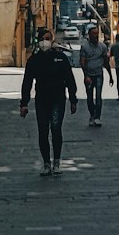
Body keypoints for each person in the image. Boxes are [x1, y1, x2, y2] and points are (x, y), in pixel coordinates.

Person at [20, 29, 78, 176]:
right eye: (44, 38)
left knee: (56, 128)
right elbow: (27, 82)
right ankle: (46, 163)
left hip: (58, 98)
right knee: (43, 131)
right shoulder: (34, 60)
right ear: (39, 41)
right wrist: (24, 103)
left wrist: (73, 99)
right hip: (42, 100)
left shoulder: (60, 58)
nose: (46, 41)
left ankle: (57, 161)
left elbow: (69, 79)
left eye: (48, 38)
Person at [79, 23, 112, 127]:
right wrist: (85, 75)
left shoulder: (102, 47)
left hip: (99, 75)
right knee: (89, 97)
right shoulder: (84, 47)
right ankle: (92, 115)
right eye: (93, 34)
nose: (96, 36)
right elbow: (82, 61)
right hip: (89, 75)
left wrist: (110, 75)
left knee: (98, 96)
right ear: (89, 35)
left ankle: (97, 117)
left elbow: (106, 62)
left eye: (97, 34)